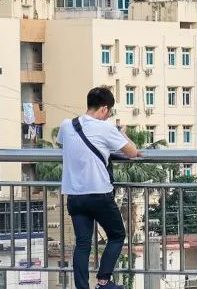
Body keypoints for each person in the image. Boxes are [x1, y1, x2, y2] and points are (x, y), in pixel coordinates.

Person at [57, 87, 141, 289]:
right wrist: (122, 134)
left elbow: (62, 145)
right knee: (117, 235)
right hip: (98, 194)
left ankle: (82, 287)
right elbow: (132, 152)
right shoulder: (106, 128)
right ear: (104, 109)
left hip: (74, 196)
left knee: (83, 243)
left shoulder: (67, 125)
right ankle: (103, 282)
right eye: (109, 111)